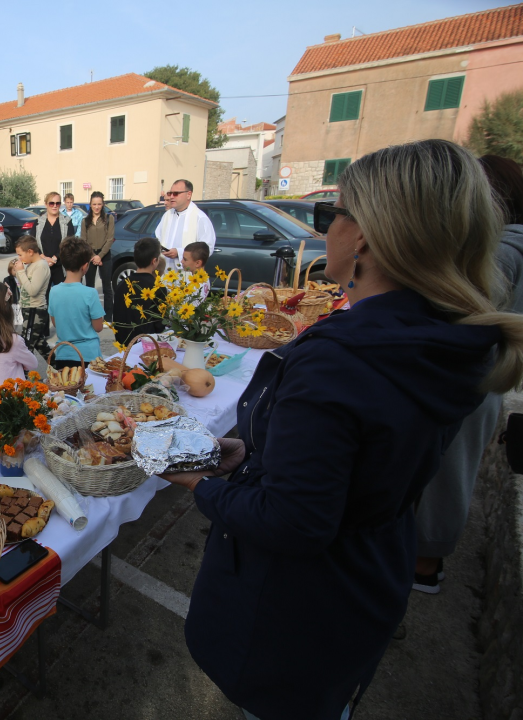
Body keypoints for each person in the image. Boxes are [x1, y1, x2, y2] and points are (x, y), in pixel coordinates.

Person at [163, 140, 523, 720]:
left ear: (364, 236)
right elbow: (365, 458)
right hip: (366, 583)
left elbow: (296, 521)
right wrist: (256, 451)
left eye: (332, 216)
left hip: (296, 612)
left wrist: (198, 484)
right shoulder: (446, 338)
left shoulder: (341, 359)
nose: (324, 230)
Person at [411, 154, 523, 593]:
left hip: (467, 380)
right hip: (484, 379)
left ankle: (420, 569)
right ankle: (424, 564)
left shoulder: (506, 249)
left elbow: (463, 313)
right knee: (449, 475)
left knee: (443, 478)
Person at [49, 237, 104, 370]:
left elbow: (56, 323)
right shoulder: (90, 293)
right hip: (88, 355)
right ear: (85, 266)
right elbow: (98, 327)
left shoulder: (54, 291)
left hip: (63, 353)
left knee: (67, 389)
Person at [155, 179, 216, 273]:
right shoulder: (167, 215)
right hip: (165, 271)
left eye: (175, 193)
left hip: (187, 275)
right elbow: (158, 237)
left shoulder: (199, 217)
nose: (171, 196)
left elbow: (206, 248)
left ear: (188, 194)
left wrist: (179, 253)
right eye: (170, 193)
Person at [112, 237, 163, 346]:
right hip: (148, 345)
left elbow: (117, 317)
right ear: (154, 261)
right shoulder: (157, 287)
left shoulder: (122, 284)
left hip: (124, 343)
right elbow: (160, 324)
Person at [12, 237, 52, 355]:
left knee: (26, 346)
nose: (19, 258)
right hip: (28, 308)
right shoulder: (31, 264)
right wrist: (18, 271)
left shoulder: (41, 266)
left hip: (35, 309)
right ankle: (57, 367)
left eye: (20, 255)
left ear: (30, 251)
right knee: (39, 343)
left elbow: (32, 291)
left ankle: (24, 373)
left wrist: (20, 271)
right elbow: (22, 285)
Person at [82, 191, 116, 320]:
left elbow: (110, 239)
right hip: (90, 256)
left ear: (103, 204)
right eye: (94, 204)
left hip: (105, 255)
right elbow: (83, 240)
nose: (97, 207)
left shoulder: (109, 219)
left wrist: (100, 256)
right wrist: (93, 256)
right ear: (90, 205)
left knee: (107, 287)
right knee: (89, 287)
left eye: (99, 204)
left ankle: (108, 317)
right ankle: (91, 315)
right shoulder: (85, 220)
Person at [33, 191, 74, 290]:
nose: (55, 206)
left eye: (58, 203)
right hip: (42, 265)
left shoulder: (67, 221)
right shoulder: (38, 222)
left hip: (60, 266)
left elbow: (69, 243)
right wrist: (43, 258)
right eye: (51, 203)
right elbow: (32, 243)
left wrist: (54, 258)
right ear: (46, 204)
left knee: (61, 297)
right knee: (43, 299)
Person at [4, 258, 23, 327]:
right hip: (13, 302)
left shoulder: (23, 277)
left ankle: (19, 331)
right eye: (14, 270)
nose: (16, 272)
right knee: (13, 318)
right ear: (10, 270)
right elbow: (6, 288)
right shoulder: (8, 279)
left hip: (21, 301)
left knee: (21, 318)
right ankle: (13, 331)